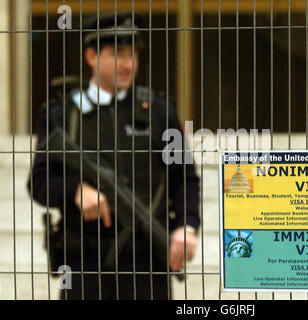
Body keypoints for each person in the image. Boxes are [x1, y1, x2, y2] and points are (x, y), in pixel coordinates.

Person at [27, 12, 200, 300]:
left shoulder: (159, 112)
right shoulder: (62, 114)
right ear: (92, 56)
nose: (127, 63)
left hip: (147, 263)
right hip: (85, 261)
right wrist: (76, 191)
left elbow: (184, 177)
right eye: (117, 54)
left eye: (132, 54)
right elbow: (39, 180)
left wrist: (186, 226)